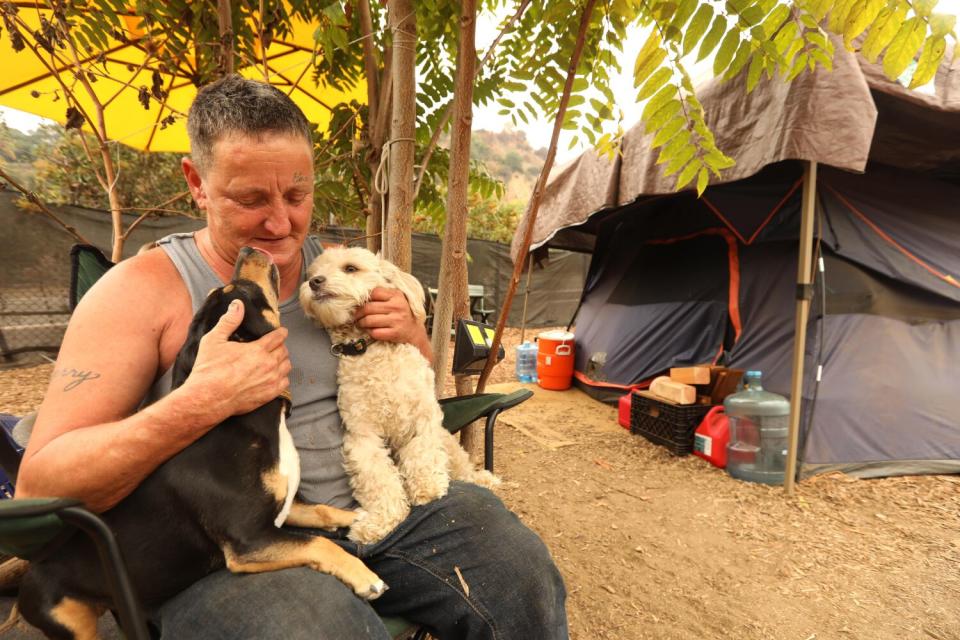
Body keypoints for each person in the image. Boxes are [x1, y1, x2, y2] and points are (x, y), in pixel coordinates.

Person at [16, 75, 568, 639]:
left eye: (297, 196)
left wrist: (411, 339)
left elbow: (408, 385)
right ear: (197, 184)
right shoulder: (139, 292)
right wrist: (196, 404)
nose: (281, 224)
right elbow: (43, 484)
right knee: (319, 628)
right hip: (231, 548)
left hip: (381, 510)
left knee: (518, 572)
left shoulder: (334, 270)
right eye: (250, 199)